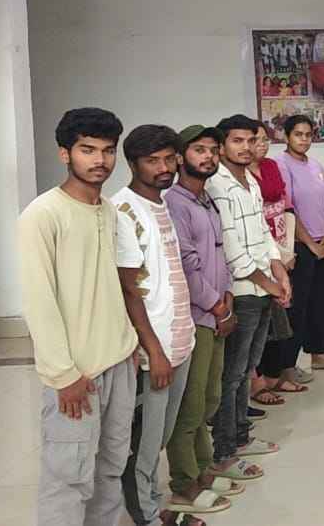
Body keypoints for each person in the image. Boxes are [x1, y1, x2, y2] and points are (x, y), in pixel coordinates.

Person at [19, 108, 139, 526]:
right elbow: (38, 301)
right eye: (87, 149)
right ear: (64, 154)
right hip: (76, 373)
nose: (100, 160)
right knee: (67, 479)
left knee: (111, 468)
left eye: (107, 150)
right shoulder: (43, 214)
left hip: (118, 361)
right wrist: (62, 374)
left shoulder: (108, 210)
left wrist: (129, 346)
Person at [112, 125, 199, 526]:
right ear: (133, 164)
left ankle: (150, 502)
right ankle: (147, 515)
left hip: (179, 338)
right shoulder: (124, 210)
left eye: (169, 159)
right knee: (144, 441)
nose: (164, 168)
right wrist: (154, 352)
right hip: (155, 349)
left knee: (160, 436)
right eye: (152, 161)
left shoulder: (161, 205)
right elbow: (129, 290)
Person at [163, 126, 241, 518]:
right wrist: (216, 306)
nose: (208, 156)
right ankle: (183, 483)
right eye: (199, 150)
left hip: (216, 311)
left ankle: (204, 469)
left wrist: (227, 298)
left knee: (209, 397)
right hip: (196, 316)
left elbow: (219, 255)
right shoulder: (175, 203)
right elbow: (187, 265)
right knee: (190, 405)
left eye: (212, 150)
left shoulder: (206, 199)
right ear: (181, 157)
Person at [208, 115, 290, 479]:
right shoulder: (217, 184)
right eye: (237, 141)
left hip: (262, 287)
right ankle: (223, 452)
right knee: (232, 374)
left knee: (246, 369)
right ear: (223, 145)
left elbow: (261, 232)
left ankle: (240, 438)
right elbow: (231, 246)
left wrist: (278, 268)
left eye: (250, 140)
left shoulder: (250, 181)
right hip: (241, 291)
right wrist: (266, 282)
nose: (245, 147)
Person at [273, 115, 324, 374]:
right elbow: (288, 209)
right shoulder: (280, 164)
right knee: (297, 306)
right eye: (298, 134)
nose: (304, 139)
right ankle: (288, 364)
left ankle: (318, 353)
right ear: (287, 136)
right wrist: (311, 244)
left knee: (321, 301)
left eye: (308, 135)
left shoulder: (316, 165)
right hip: (299, 246)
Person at [251, 131, 310, 405]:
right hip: (257, 254)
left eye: (264, 139)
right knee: (261, 320)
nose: (260, 145)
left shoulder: (271, 166)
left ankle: (276, 373)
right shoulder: (236, 176)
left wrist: (286, 251)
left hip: (281, 248)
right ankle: (257, 381)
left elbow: (285, 207)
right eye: (255, 140)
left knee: (284, 315)